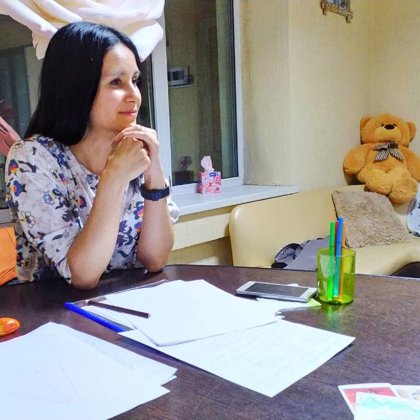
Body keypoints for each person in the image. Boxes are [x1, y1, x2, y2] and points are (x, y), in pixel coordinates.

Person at [5, 22, 179, 289]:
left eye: (135, 81)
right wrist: (114, 177)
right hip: (54, 308)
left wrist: (154, 173)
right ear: (76, 87)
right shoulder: (34, 158)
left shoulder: (132, 150)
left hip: (126, 302)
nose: (134, 95)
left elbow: (155, 259)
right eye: (116, 82)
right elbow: (83, 275)